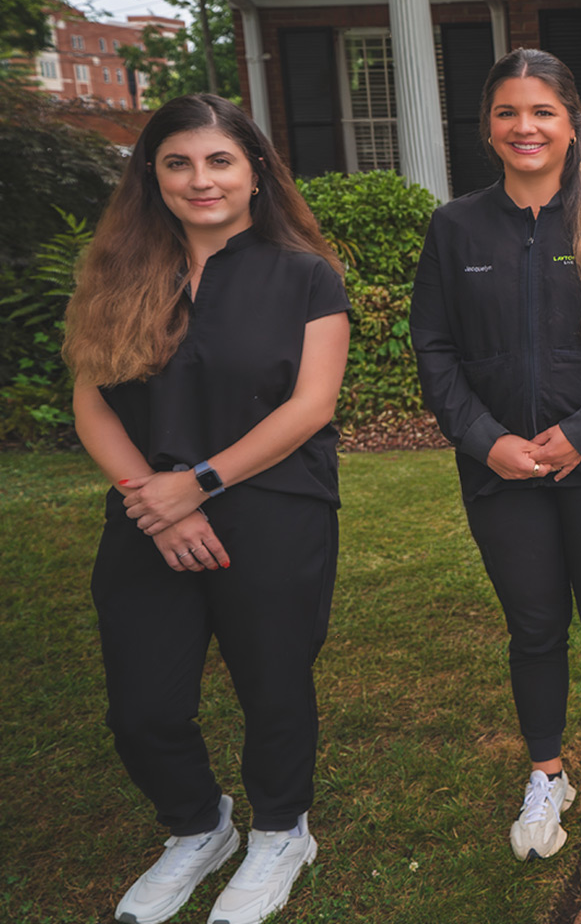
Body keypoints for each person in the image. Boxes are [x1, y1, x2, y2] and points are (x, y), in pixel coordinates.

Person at [65, 94, 350, 924]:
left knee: (274, 685)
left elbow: (311, 404)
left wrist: (202, 484)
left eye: (220, 160)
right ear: (150, 177)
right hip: (148, 510)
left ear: (255, 171)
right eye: (178, 163)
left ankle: (280, 832)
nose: (201, 180)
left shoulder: (304, 273)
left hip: (273, 506)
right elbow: (95, 406)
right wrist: (155, 502)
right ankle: (199, 825)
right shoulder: (119, 270)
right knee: (142, 705)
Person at [410, 48, 581, 862]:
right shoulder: (456, 227)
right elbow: (435, 348)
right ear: (487, 127)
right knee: (533, 630)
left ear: (571, 124)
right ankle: (548, 775)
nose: (525, 126)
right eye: (507, 112)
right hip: (504, 475)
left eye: (542, 112)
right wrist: (486, 442)